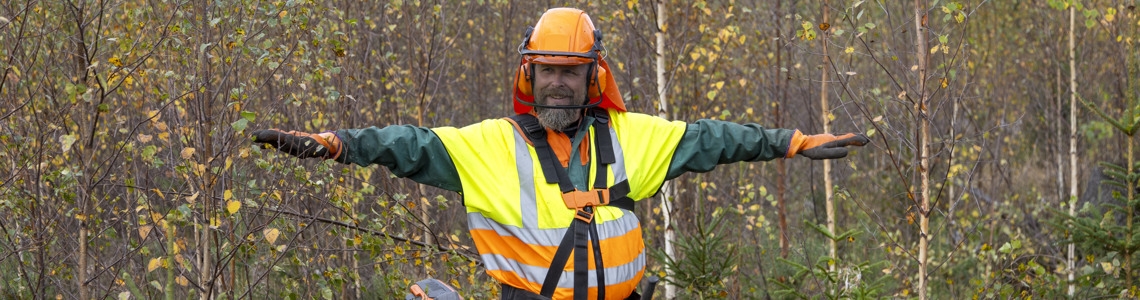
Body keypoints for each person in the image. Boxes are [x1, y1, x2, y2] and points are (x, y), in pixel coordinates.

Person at [251, 7, 869, 300]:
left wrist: (793, 142)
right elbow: (407, 146)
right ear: (530, 73)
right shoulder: (491, 146)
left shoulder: (633, 138)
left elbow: (713, 139)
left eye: (571, 73)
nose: (558, 83)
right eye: (548, 70)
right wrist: (337, 146)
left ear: (592, 78)